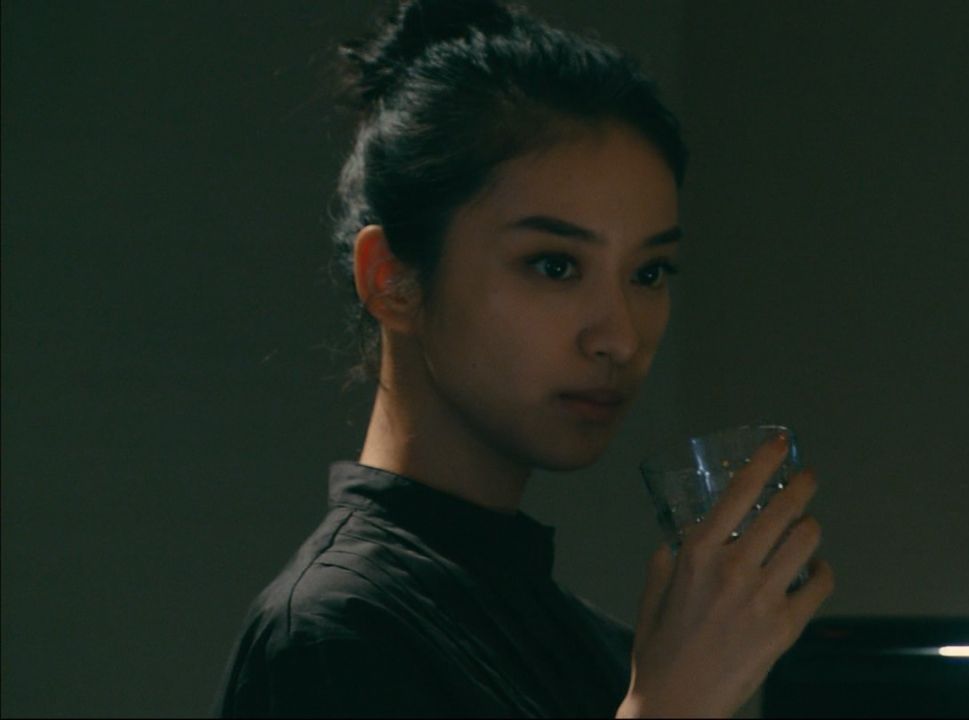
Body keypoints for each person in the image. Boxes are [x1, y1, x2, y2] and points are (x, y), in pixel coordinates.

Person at [214, 0, 834, 716]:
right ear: (392, 280)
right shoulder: (330, 636)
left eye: (649, 273)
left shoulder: (599, 651)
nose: (620, 337)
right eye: (555, 266)